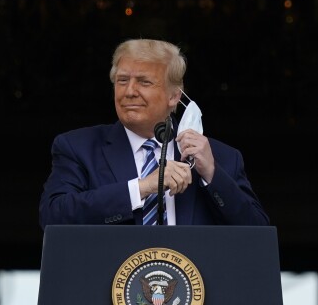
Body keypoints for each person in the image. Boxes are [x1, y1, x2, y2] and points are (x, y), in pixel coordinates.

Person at [38, 38, 269, 228]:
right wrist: (144, 187)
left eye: (144, 82)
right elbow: (53, 216)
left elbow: (258, 233)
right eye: (122, 81)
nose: (129, 92)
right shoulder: (78, 147)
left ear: (174, 96)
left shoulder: (220, 157)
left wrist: (211, 174)